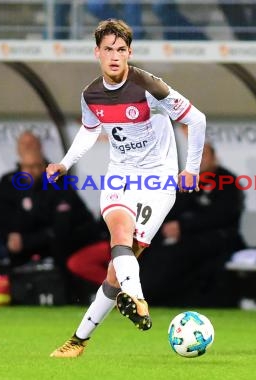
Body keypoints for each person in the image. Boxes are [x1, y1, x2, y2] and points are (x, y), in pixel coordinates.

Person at [47, 18, 206, 358]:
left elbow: (197, 119)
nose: (115, 56)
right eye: (108, 49)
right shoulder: (90, 94)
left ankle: (78, 341)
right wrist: (64, 163)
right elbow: (90, 130)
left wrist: (190, 169)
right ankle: (138, 300)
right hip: (120, 176)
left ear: (129, 53)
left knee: (115, 271)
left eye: (121, 49)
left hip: (158, 181)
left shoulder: (149, 87)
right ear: (97, 53)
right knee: (119, 237)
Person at [140, 142, 246, 307]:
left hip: (216, 238)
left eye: (203, 154)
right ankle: (142, 295)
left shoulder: (227, 181)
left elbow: (222, 215)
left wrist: (183, 226)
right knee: (149, 248)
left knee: (180, 253)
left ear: (214, 158)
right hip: (181, 237)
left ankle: (157, 298)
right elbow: (171, 208)